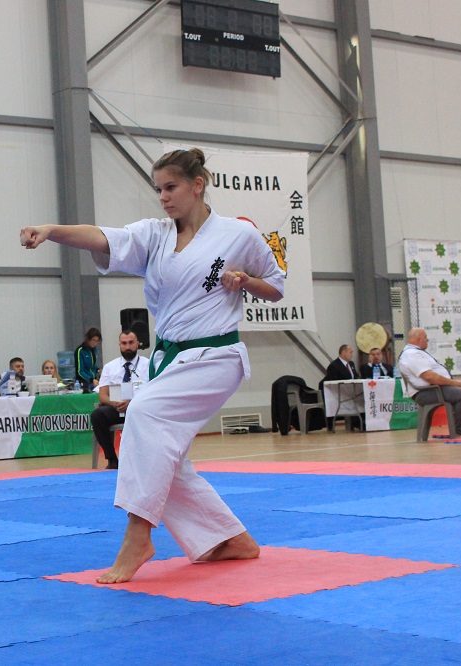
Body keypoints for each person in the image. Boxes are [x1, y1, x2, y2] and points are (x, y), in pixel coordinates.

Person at [20, 147, 284, 584]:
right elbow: (102, 237)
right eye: (158, 189)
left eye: (170, 187)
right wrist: (51, 231)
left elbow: (275, 286)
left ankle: (138, 535)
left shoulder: (238, 234)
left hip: (216, 355)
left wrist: (246, 281)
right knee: (163, 456)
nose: (162, 197)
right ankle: (229, 538)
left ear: (197, 185)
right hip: (171, 357)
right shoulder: (155, 235)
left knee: (143, 415)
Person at [398, 327, 461, 436]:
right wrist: (455, 383)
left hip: (435, 388)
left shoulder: (417, 352)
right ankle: (460, 431)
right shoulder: (411, 354)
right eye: (425, 337)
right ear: (419, 340)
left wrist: (453, 382)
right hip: (425, 392)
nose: (427, 340)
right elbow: (429, 377)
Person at [91, 329, 149, 469]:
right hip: (117, 409)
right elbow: (102, 395)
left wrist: (132, 403)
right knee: (97, 415)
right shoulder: (109, 367)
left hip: (140, 410)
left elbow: (153, 391)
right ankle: (112, 459)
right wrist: (114, 403)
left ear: (137, 344)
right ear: (119, 345)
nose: (127, 347)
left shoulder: (148, 365)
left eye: (131, 343)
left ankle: (144, 459)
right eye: (124, 343)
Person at [74, 327, 101, 392]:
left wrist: (97, 370)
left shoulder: (94, 350)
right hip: (83, 382)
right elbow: (80, 371)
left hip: (93, 381)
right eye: (93, 340)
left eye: (97, 341)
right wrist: (91, 379)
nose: (95, 343)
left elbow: (92, 364)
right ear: (88, 339)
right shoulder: (80, 350)